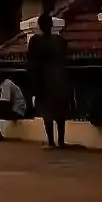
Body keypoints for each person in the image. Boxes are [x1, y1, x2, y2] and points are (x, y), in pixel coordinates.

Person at [27, 15, 71, 148]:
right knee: (60, 111)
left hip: (44, 79)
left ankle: (51, 141)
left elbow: (31, 62)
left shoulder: (35, 41)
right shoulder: (61, 41)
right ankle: (61, 141)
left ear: (39, 25)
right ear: (52, 25)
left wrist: (33, 83)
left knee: (47, 111)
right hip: (60, 78)